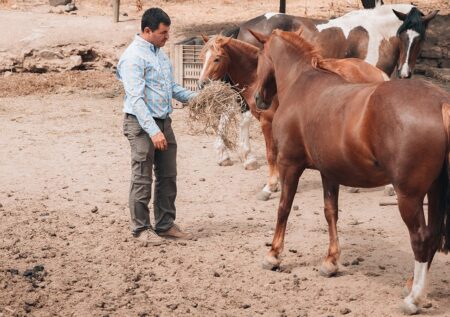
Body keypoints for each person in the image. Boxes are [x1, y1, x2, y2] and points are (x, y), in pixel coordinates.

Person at [117, 7, 197, 244]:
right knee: (142, 176)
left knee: (168, 175)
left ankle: (165, 224)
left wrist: (197, 98)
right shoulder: (133, 57)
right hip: (141, 124)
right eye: (163, 32)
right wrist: (153, 131)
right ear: (147, 30)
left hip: (163, 120)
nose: (167, 37)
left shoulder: (160, 54)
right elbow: (136, 98)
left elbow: (171, 87)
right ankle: (141, 229)